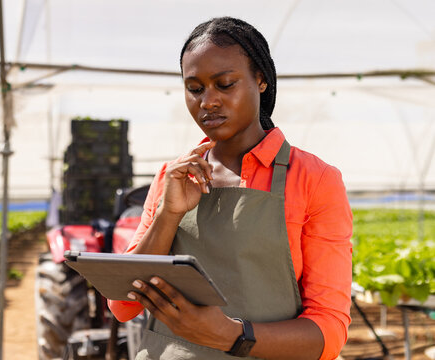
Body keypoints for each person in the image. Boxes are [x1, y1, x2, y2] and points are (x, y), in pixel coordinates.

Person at [108, 16, 352, 360]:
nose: (208, 101)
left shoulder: (314, 179)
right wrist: (168, 213)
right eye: (195, 89)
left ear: (261, 80)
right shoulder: (172, 176)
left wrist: (231, 336)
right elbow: (122, 305)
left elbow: (329, 330)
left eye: (224, 84)